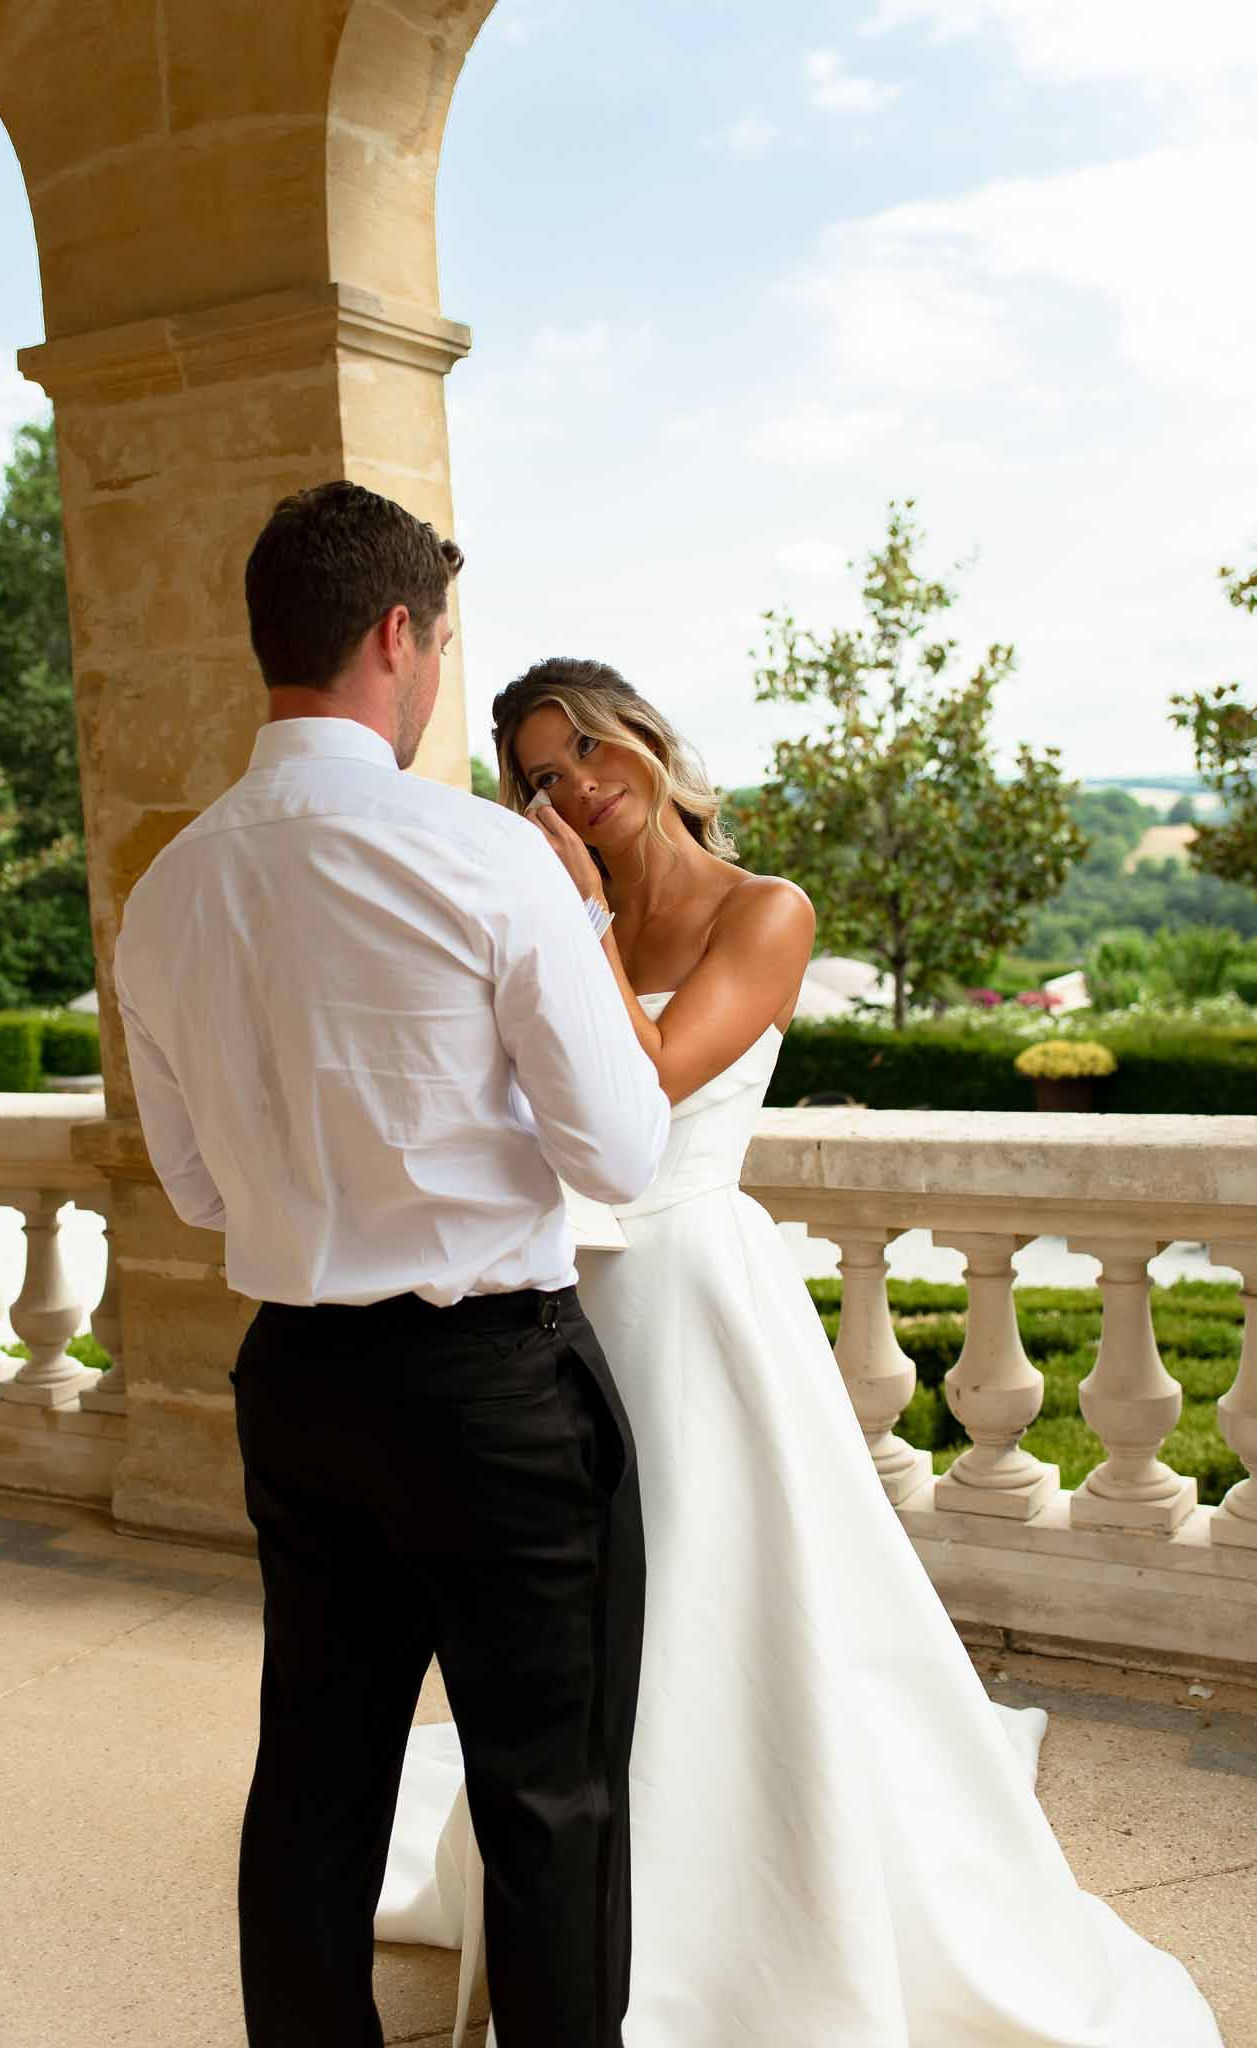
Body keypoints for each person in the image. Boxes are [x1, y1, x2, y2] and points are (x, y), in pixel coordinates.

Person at [378, 658, 1223, 2048]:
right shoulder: (553, 904)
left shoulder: (763, 910)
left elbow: (642, 1082)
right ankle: (574, 1899)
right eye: (538, 773)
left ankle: (742, 1915)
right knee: (576, 1621)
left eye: (588, 748)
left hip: (692, 1291)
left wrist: (576, 918)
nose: (575, 785)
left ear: (646, 743)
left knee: (722, 1593)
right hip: (558, 1290)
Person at [113, 493, 671, 2048]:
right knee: (550, 1803)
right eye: (437, 643)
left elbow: (197, 1186)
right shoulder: (489, 860)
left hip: (297, 1381)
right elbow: (620, 1154)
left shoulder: (163, 892)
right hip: (492, 1393)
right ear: (394, 636)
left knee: (313, 1782)